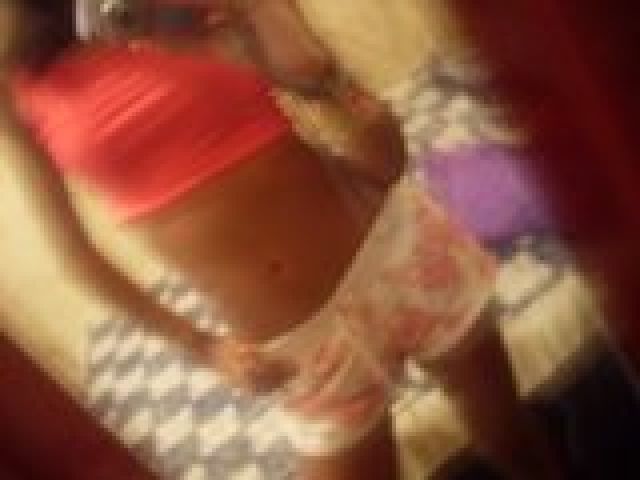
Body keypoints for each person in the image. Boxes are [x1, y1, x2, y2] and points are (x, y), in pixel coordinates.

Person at [0, 1, 564, 478]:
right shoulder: (14, 86)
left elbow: (384, 162)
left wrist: (299, 58)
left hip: (401, 252)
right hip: (300, 350)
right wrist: (203, 347)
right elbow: (76, 259)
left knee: (519, 445)